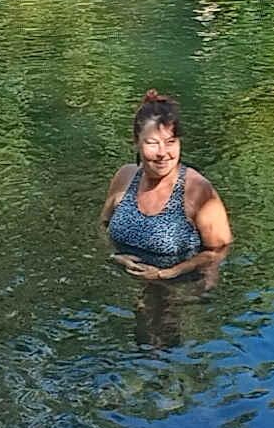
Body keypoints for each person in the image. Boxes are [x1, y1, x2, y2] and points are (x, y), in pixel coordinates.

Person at [99, 91, 231, 290]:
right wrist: (115, 256)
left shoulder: (197, 190)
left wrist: (169, 273)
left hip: (180, 287)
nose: (162, 153)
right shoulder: (125, 177)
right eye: (152, 143)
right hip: (128, 283)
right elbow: (102, 225)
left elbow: (219, 250)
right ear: (136, 143)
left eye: (171, 142)